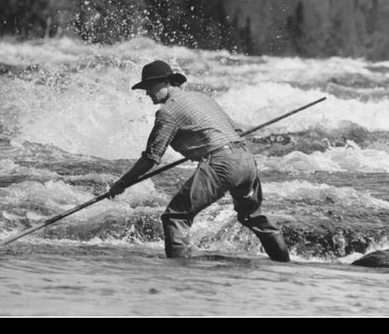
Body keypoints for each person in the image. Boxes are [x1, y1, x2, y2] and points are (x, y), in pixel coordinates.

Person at [108, 60, 290, 262]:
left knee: (175, 217)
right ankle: (284, 265)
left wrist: (122, 184)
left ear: (166, 82)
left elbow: (151, 158)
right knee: (252, 216)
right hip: (246, 159)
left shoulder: (168, 112)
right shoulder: (202, 98)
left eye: (149, 86)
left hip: (221, 162)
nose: (147, 93)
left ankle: (179, 275)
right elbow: (237, 132)